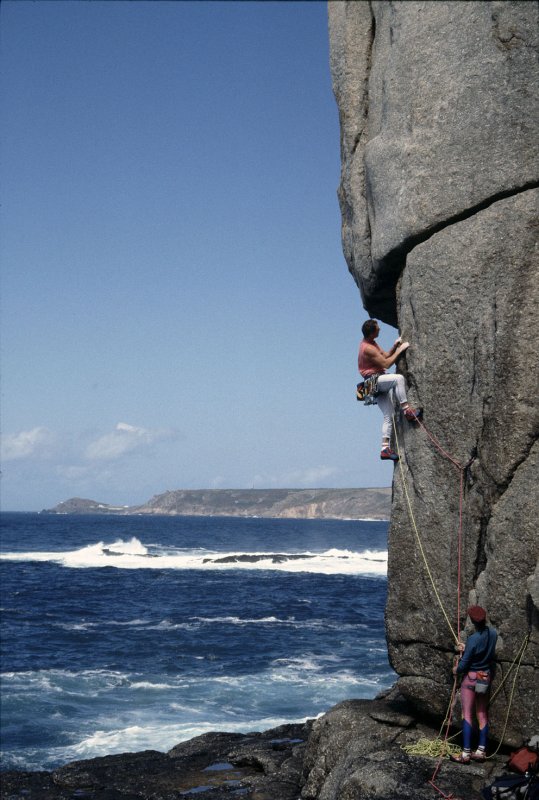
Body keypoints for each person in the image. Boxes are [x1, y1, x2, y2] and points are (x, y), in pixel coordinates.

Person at [358, 319, 423, 461]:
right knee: (398, 379)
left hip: (374, 382)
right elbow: (387, 363)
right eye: (377, 328)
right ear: (372, 332)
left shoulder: (372, 343)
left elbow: (385, 356)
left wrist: (394, 347)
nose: (380, 329)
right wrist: (400, 350)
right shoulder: (367, 348)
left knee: (389, 415)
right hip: (373, 381)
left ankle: (384, 449)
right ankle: (407, 411)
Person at [450, 605, 498, 764]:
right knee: (482, 714)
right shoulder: (493, 633)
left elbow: (464, 666)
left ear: (472, 620)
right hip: (484, 678)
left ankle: (465, 754)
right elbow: (483, 650)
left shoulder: (473, 639)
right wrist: (467, 647)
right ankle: (481, 750)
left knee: (468, 715)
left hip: (470, 680)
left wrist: (456, 669)